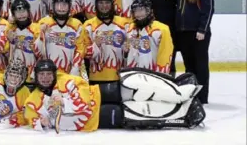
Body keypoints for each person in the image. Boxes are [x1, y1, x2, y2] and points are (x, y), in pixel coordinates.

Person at [23, 59, 206, 133]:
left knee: (133, 87)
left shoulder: (66, 79)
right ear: (36, 77)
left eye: (48, 74)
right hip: (92, 120)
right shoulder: (33, 100)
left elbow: (84, 101)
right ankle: (181, 112)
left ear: (54, 74)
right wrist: (43, 122)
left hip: (98, 95)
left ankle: (179, 91)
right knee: (133, 114)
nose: (46, 78)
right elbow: (33, 120)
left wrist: (64, 102)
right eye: (42, 75)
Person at [176, 0, 214, 104]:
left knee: (200, 65)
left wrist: (202, 30)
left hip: (198, 33)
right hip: (184, 32)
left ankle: (202, 97)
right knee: (189, 66)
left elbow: (208, 9)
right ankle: (192, 94)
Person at [83, 0, 129, 85]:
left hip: (121, 75)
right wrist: (95, 45)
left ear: (112, 4)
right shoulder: (88, 25)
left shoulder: (125, 23)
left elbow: (132, 49)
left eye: (107, 2)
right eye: (101, 3)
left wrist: (127, 51)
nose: (104, 6)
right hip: (96, 76)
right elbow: (84, 53)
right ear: (96, 4)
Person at [143, 0, 180, 77]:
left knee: (168, 57)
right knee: (151, 56)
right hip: (150, 28)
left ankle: (170, 81)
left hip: (169, 30)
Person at [0, 0, 45, 88]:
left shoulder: (36, 28)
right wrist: (7, 38)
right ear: (13, 15)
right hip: (14, 75)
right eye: (18, 12)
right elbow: (1, 49)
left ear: (28, 12)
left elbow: (40, 53)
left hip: (31, 75)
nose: (21, 14)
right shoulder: (10, 28)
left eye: (23, 11)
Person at [38, 0, 85, 78]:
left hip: (70, 73)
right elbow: (37, 51)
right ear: (53, 6)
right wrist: (40, 36)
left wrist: (75, 68)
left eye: (64, 5)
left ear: (70, 7)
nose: (61, 8)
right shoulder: (44, 22)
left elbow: (80, 50)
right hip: (48, 75)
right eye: (58, 4)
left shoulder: (77, 24)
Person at [124, 0, 173, 73]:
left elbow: (165, 54)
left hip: (152, 75)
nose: (138, 14)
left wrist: (160, 74)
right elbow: (128, 54)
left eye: (141, 10)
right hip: (133, 75)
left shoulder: (161, 29)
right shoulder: (130, 29)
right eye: (135, 11)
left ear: (148, 11)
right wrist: (125, 52)